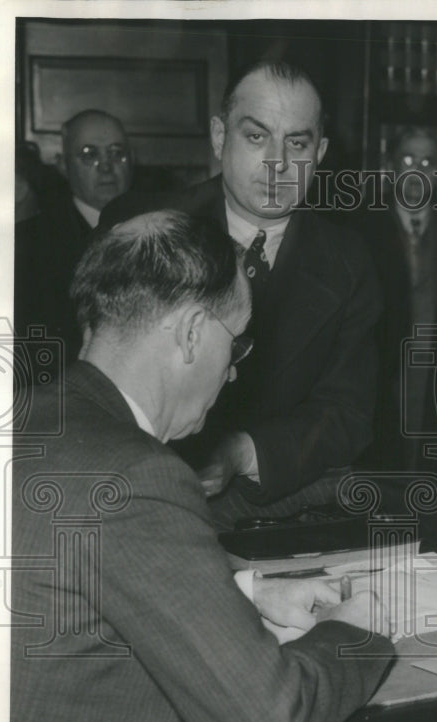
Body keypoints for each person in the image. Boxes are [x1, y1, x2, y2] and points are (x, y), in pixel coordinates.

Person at [10, 210, 392, 722]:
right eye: (235, 346)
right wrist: (362, 627)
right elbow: (272, 715)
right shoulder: (139, 476)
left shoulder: (24, 418)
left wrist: (241, 592)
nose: (234, 375)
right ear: (191, 333)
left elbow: (73, 592)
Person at [102, 61, 381, 526]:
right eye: (256, 137)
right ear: (219, 136)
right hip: (143, 497)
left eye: (297, 143)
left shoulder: (350, 261)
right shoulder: (143, 229)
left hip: (281, 499)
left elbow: (348, 413)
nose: (278, 164)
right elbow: (95, 388)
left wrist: (242, 452)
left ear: (321, 152)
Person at [358, 127, 437, 469]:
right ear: (390, 167)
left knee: (436, 493)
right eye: (408, 160)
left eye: (428, 162)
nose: (418, 171)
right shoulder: (361, 230)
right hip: (379, 389)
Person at [15, 110, 133, 360]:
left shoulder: (158, 231)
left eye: (117, 153)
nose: (106, 167)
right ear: (63, 166)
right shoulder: (29, 243)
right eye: (89, 155)